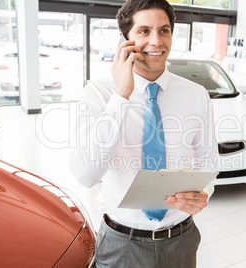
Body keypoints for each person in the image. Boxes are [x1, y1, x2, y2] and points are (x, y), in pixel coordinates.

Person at [69, 0, 218, 267]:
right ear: (124, 40)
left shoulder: (196, 95)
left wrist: (203, 192)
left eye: (164, 30)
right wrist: (120, 96)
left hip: (181, 240)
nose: (156, 41)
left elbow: (208, 160)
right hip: (121, 244)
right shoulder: (98, 94)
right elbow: (86, 175)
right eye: (143, 31)